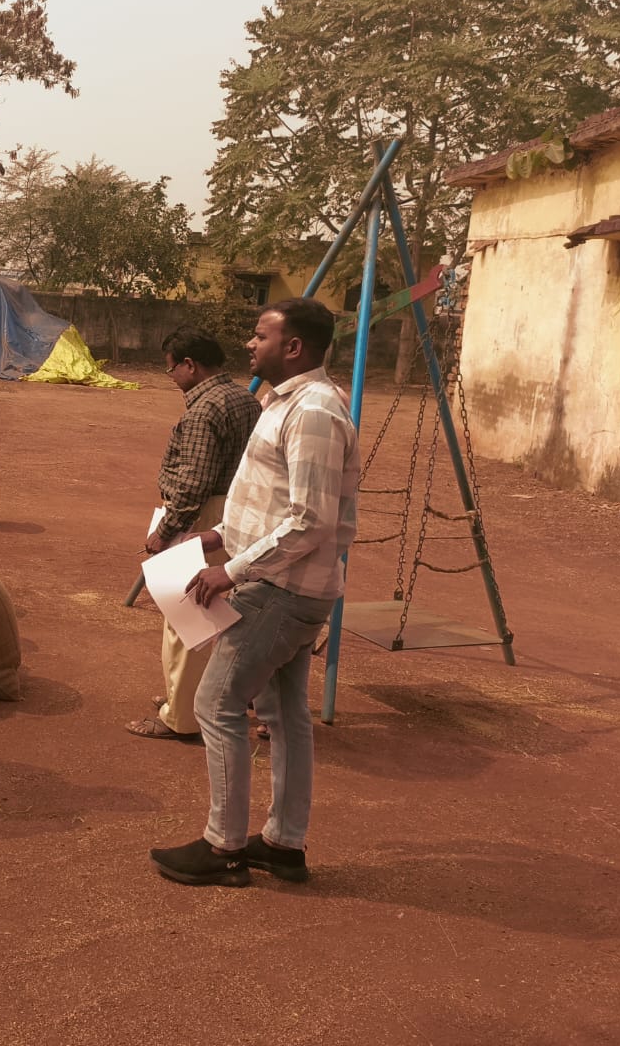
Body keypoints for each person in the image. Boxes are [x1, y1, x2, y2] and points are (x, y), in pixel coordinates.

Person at [149, 297, 360, 887]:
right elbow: (274, 499)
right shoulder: (282, 401)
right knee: (284, 715)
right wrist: (219, 535)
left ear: (292, 347)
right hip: (286, 584)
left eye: (260, 335)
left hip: (280, 590)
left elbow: (310, 520)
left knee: (216, 705)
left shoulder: (313, 411)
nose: (249, 343)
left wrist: (233, 569)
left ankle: (224, 846)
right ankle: (283, 845)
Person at [127, 326, 261, 742]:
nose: (171, 378)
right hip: (234, 512)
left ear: (190, 365)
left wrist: (166, 529)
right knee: (216, 612)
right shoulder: (244, 398)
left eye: (171, 370)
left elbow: (194, 481)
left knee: (188, 615)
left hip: (203, 517)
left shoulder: (205, 410)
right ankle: (195, 695)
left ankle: (182, 716)